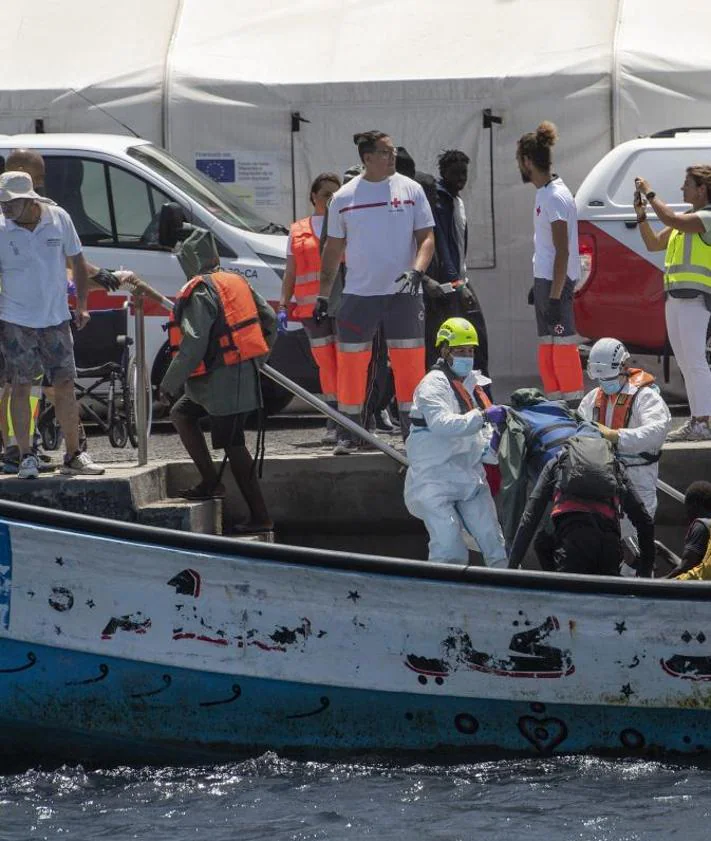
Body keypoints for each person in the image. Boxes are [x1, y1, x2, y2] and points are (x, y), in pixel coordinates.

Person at [318, 130, 435, 452]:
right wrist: (323, 294)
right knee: (352, 366)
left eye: (392, 151)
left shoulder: (411, 190)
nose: (392, 156)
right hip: (359, 295)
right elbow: (332, 249)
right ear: (367, 158)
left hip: (403, 295)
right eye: (385, 152)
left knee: (410, 365)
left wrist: (418, 270)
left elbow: (426, 237)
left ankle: (416, 436)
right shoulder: (343, 198)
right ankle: (349, 434)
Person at [161, 226, 276, 533]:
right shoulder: (236, 280)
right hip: (234, 375)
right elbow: (270, 319)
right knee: (182, 413)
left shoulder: (200, 290)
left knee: (233, 445)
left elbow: (194, 342)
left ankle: (261, 517)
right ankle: (211, 482)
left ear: (190, 261)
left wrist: (168, 383)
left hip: (223, 379)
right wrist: (259, 357)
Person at [0, 171, 105, 478]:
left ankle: (74, 455)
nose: (4, 208)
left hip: (56, 318)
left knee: (65, 387)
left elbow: (78, 262)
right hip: (16, 320)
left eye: (10, 203)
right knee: (21, 386)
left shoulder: (58, 218)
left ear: (29, 200)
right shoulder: (1, 227)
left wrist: (82, 305)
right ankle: (26, 457)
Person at [404, 317, 507, 567]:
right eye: (460, 351)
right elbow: (442, 424)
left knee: (495, 543)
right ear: (445, 351)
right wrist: (482, 416)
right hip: (434, 481)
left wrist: (495, 444)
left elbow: (479, 441)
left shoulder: (472, 385)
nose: (467, 356)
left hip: (468, 476)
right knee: (449, 549)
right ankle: (443, 597)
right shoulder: (432, 386)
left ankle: (512, 592)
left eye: (470, 351)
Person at [634, 166, 711, 441]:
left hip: (695, 298)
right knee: (686, 362)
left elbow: (669, 217)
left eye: (687, 184)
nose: (682, 189)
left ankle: (704, 422)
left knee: (695, 361)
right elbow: (654, 243)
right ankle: (698, 421)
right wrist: (641, 215)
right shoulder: (688, 218)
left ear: (702, 189)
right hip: (677, 298)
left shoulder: (706, 217)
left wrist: (649, 192)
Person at [508, 434, 655, 576]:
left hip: (571, 545)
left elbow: (529, 518)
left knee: (542, 544)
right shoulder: (615, 467)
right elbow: (644, 521)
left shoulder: (558, 462)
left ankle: (553, 589)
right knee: (607, 598)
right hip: (608, 546)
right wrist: (646, 574)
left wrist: (511, 569)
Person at [516, 122, 584, 403]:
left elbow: (562, 251)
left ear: (527, 161)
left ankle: (574, 406)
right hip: (547, 280)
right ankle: (557, 404)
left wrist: (555, 296)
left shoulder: (555, 196)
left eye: (519, 161)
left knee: (563, 347)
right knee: (548, 348)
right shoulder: (545, 193)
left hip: (557, 284)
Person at [278, 172, 342, 444]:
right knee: (326, 365)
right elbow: (291, 272)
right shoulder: (298, 229)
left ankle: (356, 419)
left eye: (335, 195)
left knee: (348, 362)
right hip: (310, 312)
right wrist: (283, 305)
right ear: (313, 196)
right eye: (326, 194)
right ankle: (333, 420)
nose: (330, 199)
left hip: (341, 306)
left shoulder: (345, 225)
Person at [579, 338, 671, 523]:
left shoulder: (645, 397)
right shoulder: (591, 399)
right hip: (601, 480)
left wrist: (616, 436)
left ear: (624, 366)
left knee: (636, 534)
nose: (605, 383)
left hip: (638, 481)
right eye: (601, 379)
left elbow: (657, 432)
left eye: (609, 378)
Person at [427, 150, 490, 376]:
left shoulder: (455, 199)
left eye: (463, 173)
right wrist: (457, 284)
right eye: (455, 173)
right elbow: (443, 248)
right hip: (451, 284)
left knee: (476, 337)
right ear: (443, 173)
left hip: (459, 278)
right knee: (470, 338)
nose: (461, 178)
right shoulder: (441, 202)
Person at [666, 481, 711, 580]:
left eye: (687, 506)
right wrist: (662, 550)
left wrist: (654, 584)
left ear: (694, 504)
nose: (686, 513)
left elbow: (685, 569)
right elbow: (691, 566)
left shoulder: (702, 525)